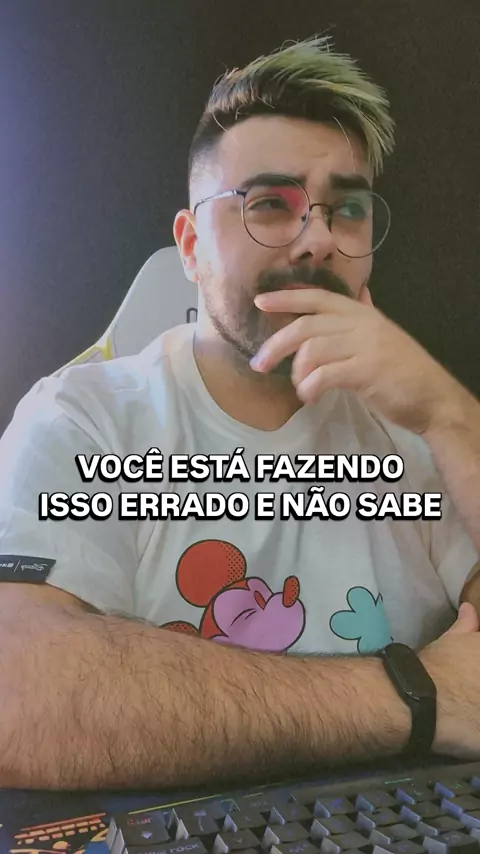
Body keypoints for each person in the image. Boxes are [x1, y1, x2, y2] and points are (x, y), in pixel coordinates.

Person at [0, 35, 479, 792]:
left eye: (348, 209)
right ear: (191, 246)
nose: (318, 239)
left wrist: (452, 415)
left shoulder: (421, 430)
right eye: (269, 204)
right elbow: (18, 693)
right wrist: (417, 697)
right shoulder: (83, 421)